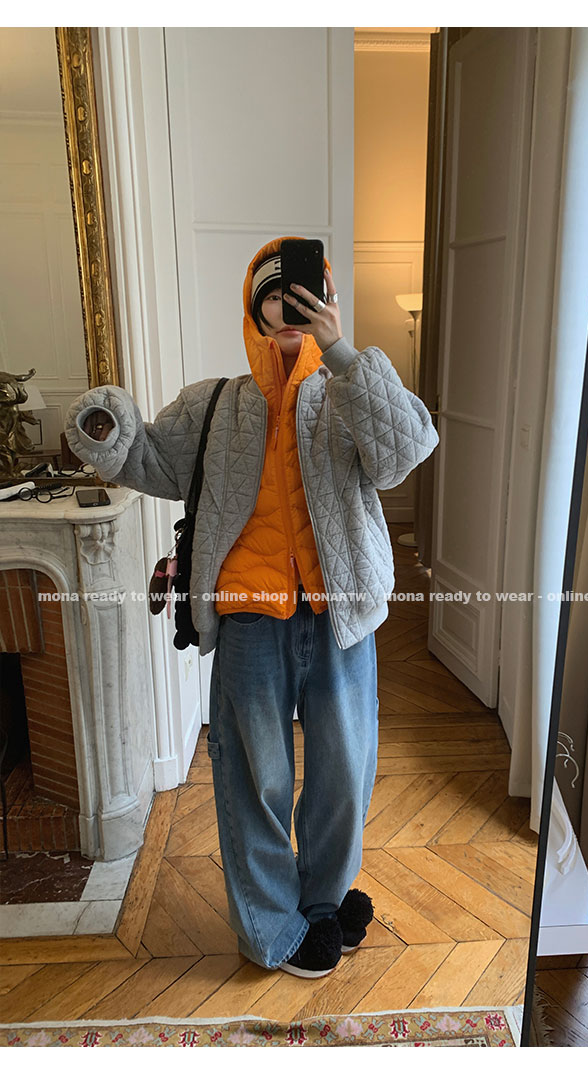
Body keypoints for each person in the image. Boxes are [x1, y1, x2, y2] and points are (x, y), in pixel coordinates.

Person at [65, 236, 439, 979]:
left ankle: (322, 903)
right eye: (275, 294)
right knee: (255, 779)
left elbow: (406, 451)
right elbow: (149, 460)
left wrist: (344, 354)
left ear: (327, 301)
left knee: (345, 773)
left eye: (305, 292)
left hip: (340, 616)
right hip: (247, 619)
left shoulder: (349, 387)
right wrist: (105, 424)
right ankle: (272, 928)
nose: (290, 306)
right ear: (254, 309)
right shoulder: (216, 402)